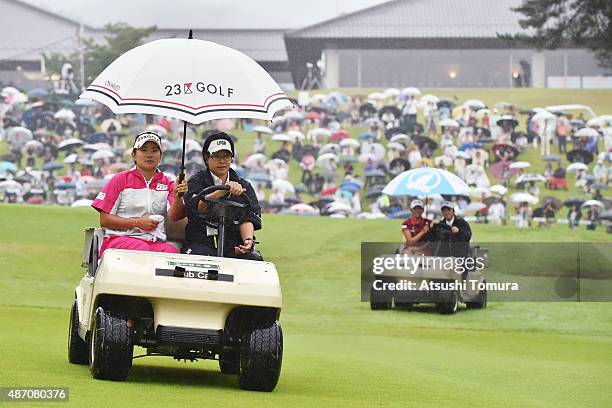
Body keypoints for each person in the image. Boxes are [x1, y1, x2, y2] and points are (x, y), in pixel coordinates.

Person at [91, 132, 188, 257]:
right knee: (142, 251)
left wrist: (178, 197)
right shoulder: (120, 180)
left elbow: (174, 217)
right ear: (134, 155)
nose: (149, 155)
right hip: (119, 239)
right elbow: (104, 220)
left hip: (154, 242)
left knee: (171, 252)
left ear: (160, 156)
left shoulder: (169, 183)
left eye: (154, 150)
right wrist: (137, 222)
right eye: (143, 150)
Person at [182, 132, 263, 260]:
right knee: (200, 257)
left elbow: (248, 217)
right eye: (216, 156)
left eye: (226, 156)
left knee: (254, 258)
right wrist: (223, 190)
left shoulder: (244, 185)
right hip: (201, 243)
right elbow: (197, 208)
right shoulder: (196, 181)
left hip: (234, 245)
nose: (222, 161)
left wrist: (247, 241)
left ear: (232, 158)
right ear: (206, 158)